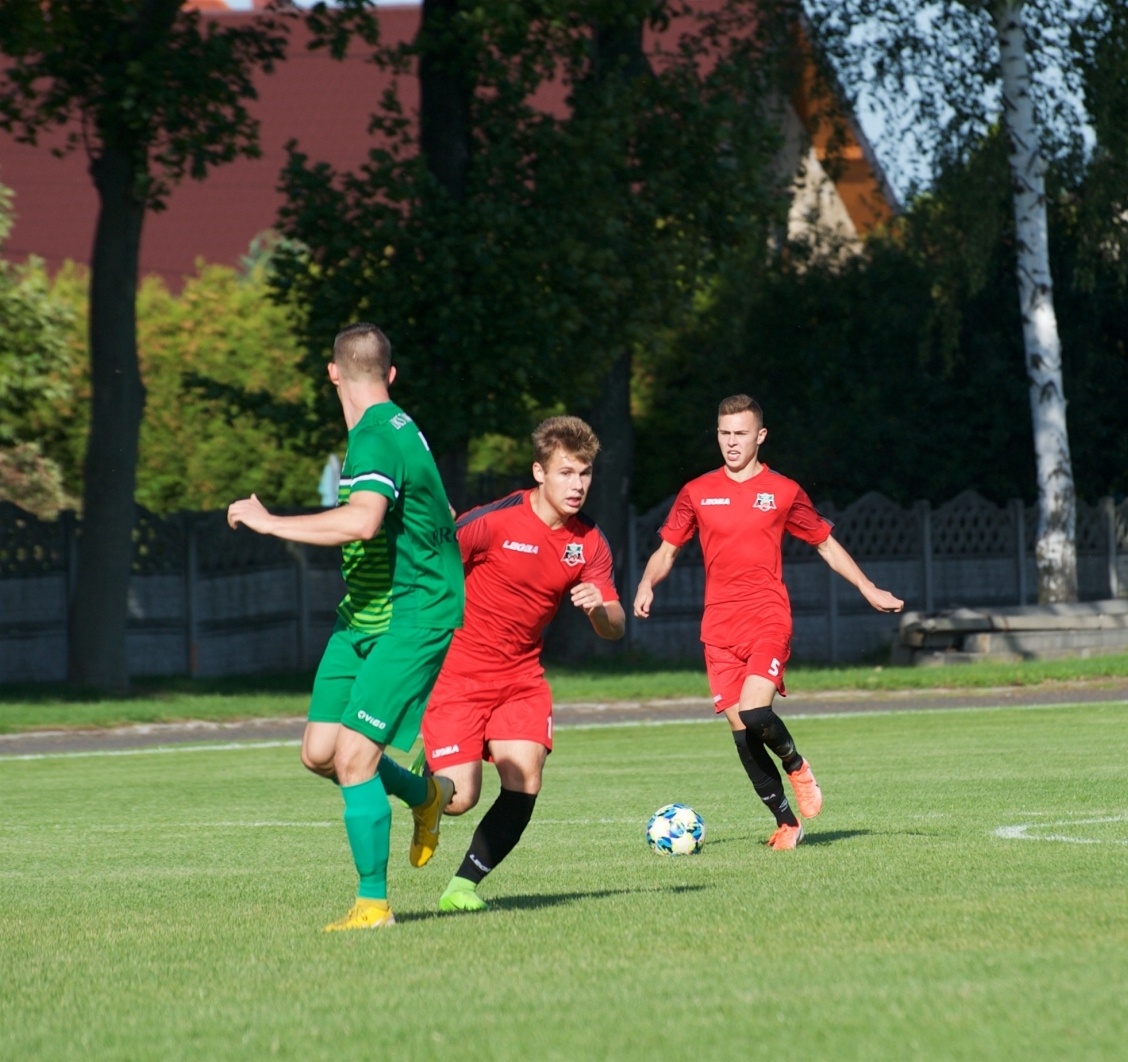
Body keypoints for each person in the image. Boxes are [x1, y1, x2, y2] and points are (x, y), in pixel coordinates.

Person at [227, 323, 463, 932]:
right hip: (365, 609)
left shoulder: (377, 439)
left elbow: (361, 522)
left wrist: (270, 522)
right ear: (389, 373)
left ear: (332, 372)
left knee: (355, 759)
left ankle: (373, 906)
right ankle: (425, 796)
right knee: (320, 754)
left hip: (412, 611)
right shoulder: (394, 428)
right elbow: (438, 511)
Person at [633, 394, 903, 849]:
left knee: (758, 711)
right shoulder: (697, 491)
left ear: (760, 436)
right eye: (724, 433)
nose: (731, 442)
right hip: (718, 628)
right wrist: (646, 584)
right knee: (742, 734)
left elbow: (824, 543)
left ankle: (797, 767)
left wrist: (868, 587)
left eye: (740, 433)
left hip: (767, 617)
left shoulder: (783, 491)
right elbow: (668, 549)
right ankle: (787, 823)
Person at [421, 416, 625, 912]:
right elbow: (433, 567)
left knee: (526, 776)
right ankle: (421, 785)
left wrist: (600, 607)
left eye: (585, 474)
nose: (577, 486)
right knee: (460, 799)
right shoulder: (494, 520)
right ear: (539, 472)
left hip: (521, 679)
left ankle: (462, 886)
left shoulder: (590, 541)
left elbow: (615, 627)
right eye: (565, 473)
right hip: (459, 675)